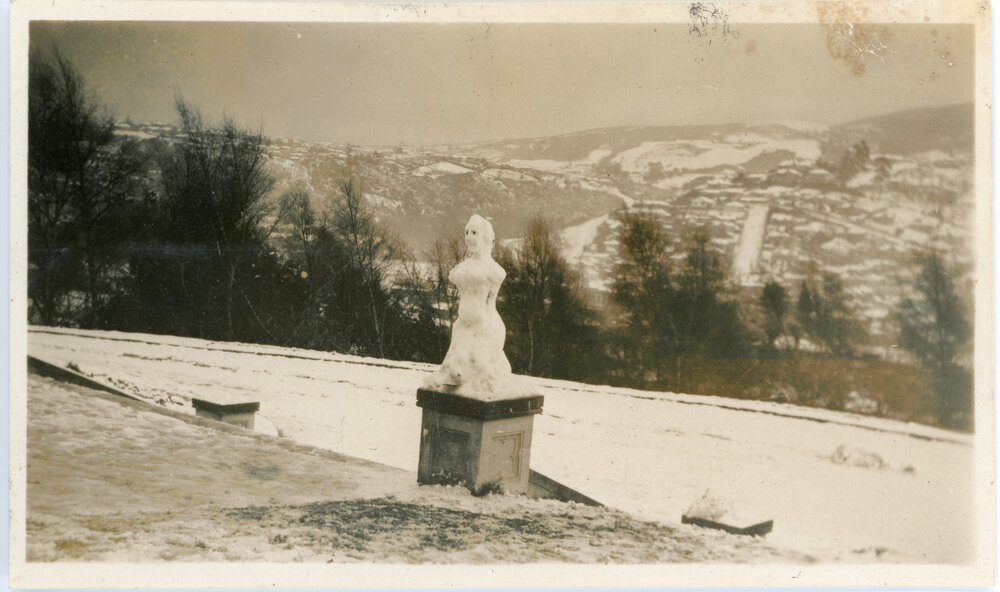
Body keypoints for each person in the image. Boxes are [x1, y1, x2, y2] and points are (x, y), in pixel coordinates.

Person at [423, 214, 521, 399]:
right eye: (467, 232)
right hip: (463, 326)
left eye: (474, 232)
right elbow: (455, 276)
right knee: (453, 369)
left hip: (485, 326)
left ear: (486, 237)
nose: (468, 237)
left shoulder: (495, 271)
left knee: (479, 367)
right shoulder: (461, 268)